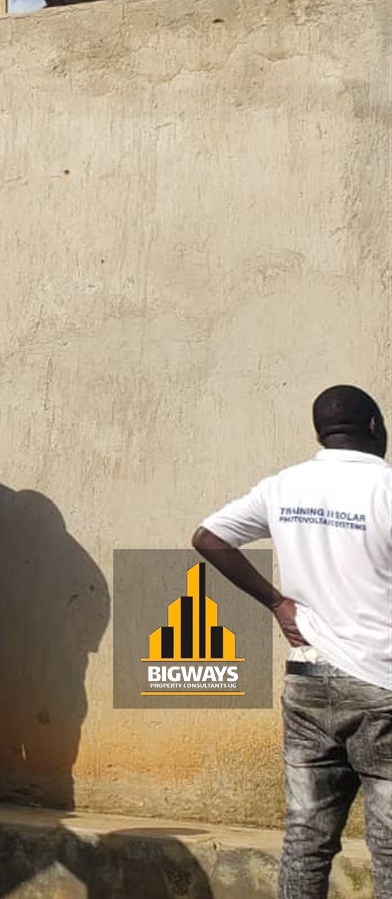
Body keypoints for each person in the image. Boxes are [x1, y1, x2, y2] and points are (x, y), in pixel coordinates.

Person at [191, 385, 391, 899]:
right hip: (381, 683)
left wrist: (277, 603)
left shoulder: (285, 486)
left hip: (307, 681)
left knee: (306, 836)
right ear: (374, 426)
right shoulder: (386, 488)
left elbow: (209, 537)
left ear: (320, 431)